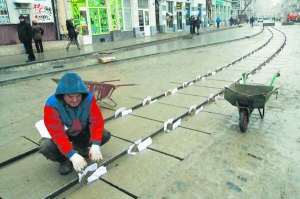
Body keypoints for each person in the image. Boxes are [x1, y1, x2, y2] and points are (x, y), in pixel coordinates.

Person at [39, 73, 111, 175]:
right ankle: (65, 159)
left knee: (104, 135)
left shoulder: (89, 99)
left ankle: (80, 148)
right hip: (65, 135)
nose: (75, 100)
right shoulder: (52, 105)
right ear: (62, 95)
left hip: (81, 132)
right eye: (70, 96)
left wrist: (95, 144)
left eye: (78, 96)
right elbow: (57, 133)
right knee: (45, 146)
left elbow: (96, 121)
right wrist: (71, 155)